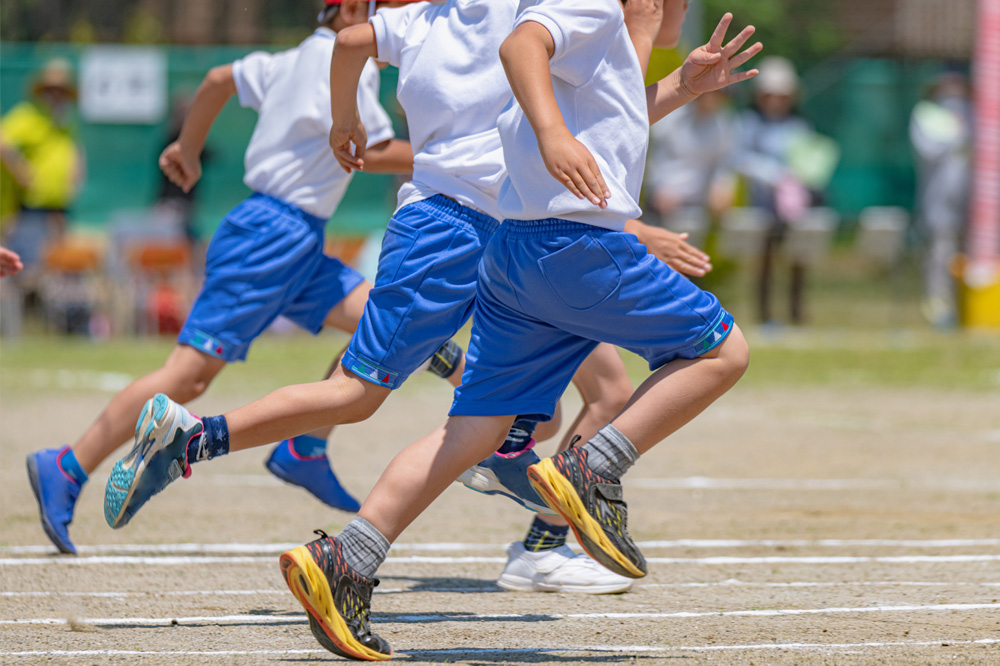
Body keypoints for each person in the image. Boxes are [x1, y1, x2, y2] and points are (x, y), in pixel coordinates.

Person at [100, 0, 716, 598]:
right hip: (457, 230)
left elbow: (350, 45)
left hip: (491, 231)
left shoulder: (424, 18)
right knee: (357, 395)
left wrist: (348, 121)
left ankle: (510, 486)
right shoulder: (518, 17)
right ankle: (192, 438)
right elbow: (573, 118)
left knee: (564, 400)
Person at [267, 0, 755, 658]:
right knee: (723, 351)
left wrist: (680, 87)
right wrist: (555, 132)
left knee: (474, 430)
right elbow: (521, 47)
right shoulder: (593, 6)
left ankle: (346, 561)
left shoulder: (610, 27)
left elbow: (605, 113)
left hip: (517, 254)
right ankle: (593, 468)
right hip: (577, 247)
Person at [25, 0, 445, 557]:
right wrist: (454, 157)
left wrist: (188, 147)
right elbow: (372, 150)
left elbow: (219, 78)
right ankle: (67, 464)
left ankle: (305, 447)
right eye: (388, 10)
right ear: (348, 11)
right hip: (270, 237)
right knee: (189, 375)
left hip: (287, 236)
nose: (400, 22)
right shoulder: (349, 69)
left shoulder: (290, 59)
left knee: (377, 317)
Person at [734, 55, 819, 325]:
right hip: (763, 205)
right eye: (770, 95)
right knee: (765, 262)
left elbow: (807, 158)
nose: (776, 101)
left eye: (782, 95)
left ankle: (796, 314)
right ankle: (765, 315)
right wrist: (773, 175)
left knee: (798, 258)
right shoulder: (749, 123)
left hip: (794, 208)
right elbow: (740, 158)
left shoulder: (799, 125)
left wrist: (801, 178)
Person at [0, 58, 84, 290]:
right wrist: (20, 171)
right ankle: (26, 312)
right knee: (28, 266)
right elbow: (2, 141)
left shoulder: (63, 121)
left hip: (59, 207)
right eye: (52, 90)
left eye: (61, 91)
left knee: (57, 267)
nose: (57, 96)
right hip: (31, 207)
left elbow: (72, 148)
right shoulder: (28, 116)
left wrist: (76, 170)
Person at [909, 71, 972, 330]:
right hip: (939, 200)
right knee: (940, 254)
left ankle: (968, 306)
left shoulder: (974, 114)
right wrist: (954, 135)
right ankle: (939, 306)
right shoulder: (926, 116)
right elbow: (928, 152)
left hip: (972, 202)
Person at [645, 88, 738, 224]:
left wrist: (722, 187)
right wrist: (659, 188)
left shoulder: (725, 124)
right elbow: (654, 160)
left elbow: (724, 163)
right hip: (663, 202)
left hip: (697, 204)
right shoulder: (671, 117)